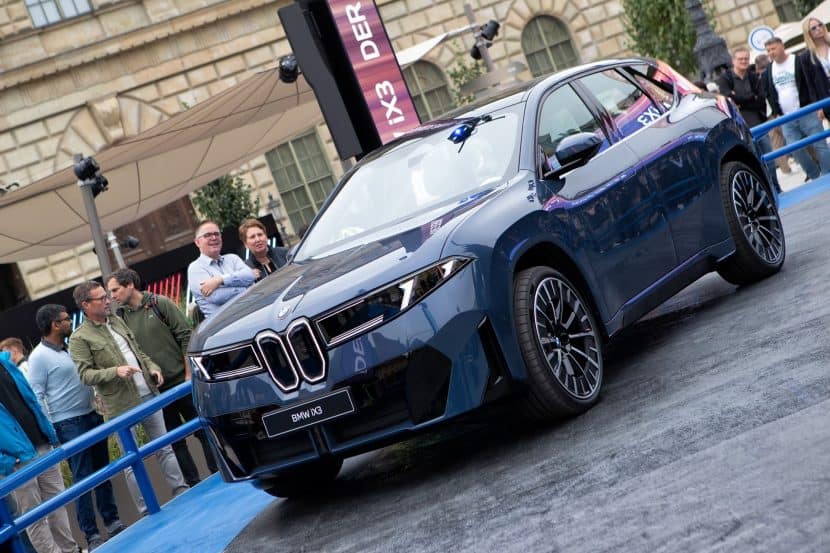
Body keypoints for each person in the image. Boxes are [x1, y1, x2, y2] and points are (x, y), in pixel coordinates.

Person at [68, 281, 188, 516]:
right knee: (131, 462)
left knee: (165, 447)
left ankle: (181, 491)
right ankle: (146, 509)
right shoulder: (79, 338)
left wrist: (152, 367)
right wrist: (115, 371)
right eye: (101, 298)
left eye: (106, 296)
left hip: (148, 393)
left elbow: (138, 352)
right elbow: (85, 375)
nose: (107, 300)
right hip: (121, 406)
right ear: (85, 305)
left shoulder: (117, 320)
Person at [106, 268, 217, 487]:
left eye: (115, 290)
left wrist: (188, 375)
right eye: (110, 293)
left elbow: (186, 337)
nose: (112, 296)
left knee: (203, 430)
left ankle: (217, 472)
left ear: (130, 284)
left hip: (182, 383)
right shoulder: (121, 318)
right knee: (175, 442)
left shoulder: (159, 303)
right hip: (155, 391)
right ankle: (194, 484)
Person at [28, 304, 123, 551]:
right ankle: (91, 534)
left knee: (103, 471)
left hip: (91, 416)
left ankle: (112, 521)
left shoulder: (70, 348)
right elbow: (36, 397)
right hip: (68, 424)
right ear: (54, 325)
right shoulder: (39, 357)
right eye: (65, 319)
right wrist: (50, 430)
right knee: (82, 479)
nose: (70, 322)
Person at [0, 350, 78, 553]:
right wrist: (5, 461)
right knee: (34, 517)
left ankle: (69, 550)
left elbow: (31, 400)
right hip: (16, 459)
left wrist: (48, 432)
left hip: (41, 443)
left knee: (57, 504)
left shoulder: (6, 364)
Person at [761, 36, 830, 180]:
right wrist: (776, 113)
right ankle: (815, 176)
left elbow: (812, 82)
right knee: (795, 149)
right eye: (768, 50)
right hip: (786, 117)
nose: (771, 53)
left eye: (773, 48)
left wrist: (817, 105)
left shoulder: (798, 61)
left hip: (806, 111)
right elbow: (769, 92)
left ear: (782, 46)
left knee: (820, 144)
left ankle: (827, 174)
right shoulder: (768, 71)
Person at [717, 46, 781, 192]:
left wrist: (740, 100)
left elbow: (761, 100)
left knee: (769, 159)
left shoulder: (753, 76)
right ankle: (764, 192)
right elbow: (728, 99)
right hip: (740, 129)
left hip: (759, 124)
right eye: (740, 59)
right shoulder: (725, 79)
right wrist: (751, 97)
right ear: (733, 61)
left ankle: (776, 188)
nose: (744, 61)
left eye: (746, 58)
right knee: (752, 163)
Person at [187, 221, 255, 320]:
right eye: (207, 235)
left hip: (251, 314)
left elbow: (250, 275)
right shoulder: (195, 269)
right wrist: (248, 289)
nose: (214, 238)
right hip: (225, 325)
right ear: (197, 242)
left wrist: (221, 280)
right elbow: (216, 297)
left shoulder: (233, 258)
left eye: (216, 234)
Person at [756, 53, 793, 176]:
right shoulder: (772, 75)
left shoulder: (757, 79)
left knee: (776, 144)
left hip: (767, 116)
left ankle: (785, 169)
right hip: (777, 112)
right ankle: (809, 161)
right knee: (792, 137)